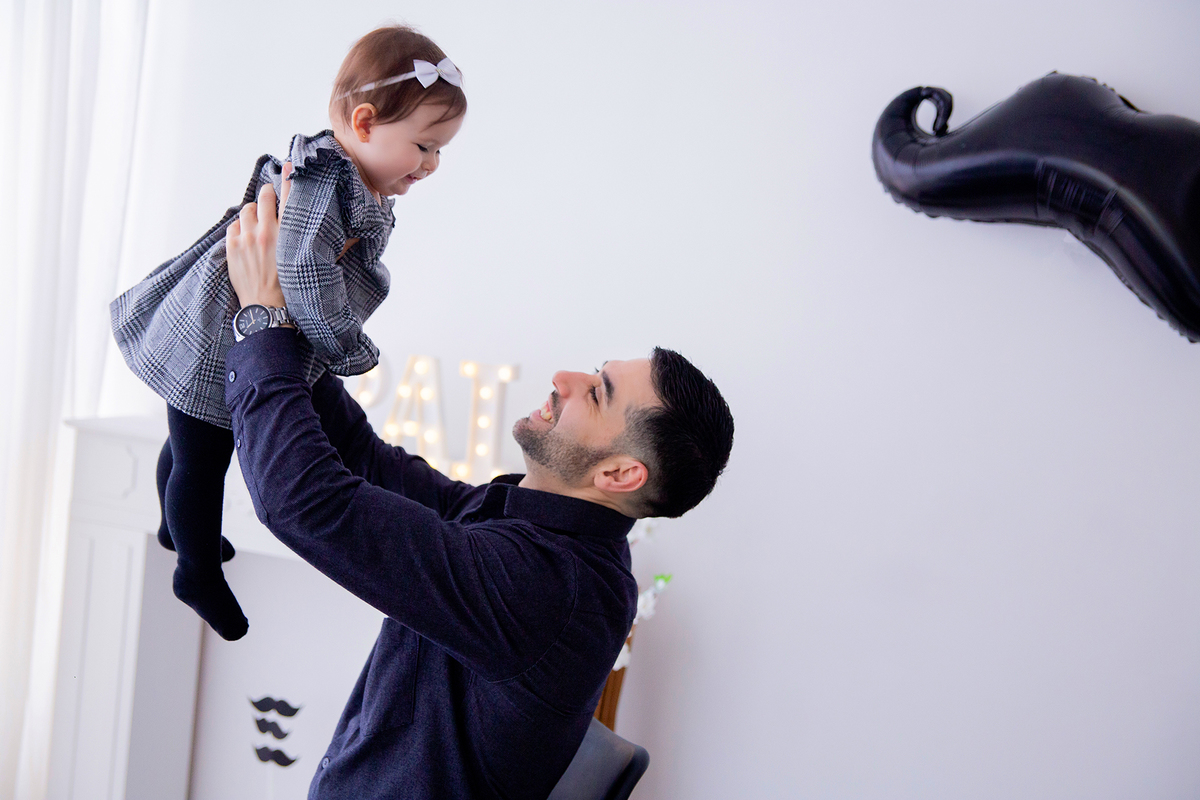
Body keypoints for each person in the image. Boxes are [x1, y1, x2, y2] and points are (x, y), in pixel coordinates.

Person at [221, 178, 735, 798]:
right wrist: (290, 315)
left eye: (597, 393)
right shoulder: (533, 523)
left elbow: (305, 501)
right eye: (596, 372)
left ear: (620, 475)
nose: (564, 378)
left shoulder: (545, 586)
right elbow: (363, 462)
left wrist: (263, 324)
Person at [108, 25, 466, 640]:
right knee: (202, 456)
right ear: (364, 123)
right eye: (424, 146)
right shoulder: (324, 182)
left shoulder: (355, 181)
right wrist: (344, 345)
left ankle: (175, 527)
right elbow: (302, 271)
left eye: (439, 151)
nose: (432, 165)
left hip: (230, 327)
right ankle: (195, 570)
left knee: (189, 436)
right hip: (218, 334)